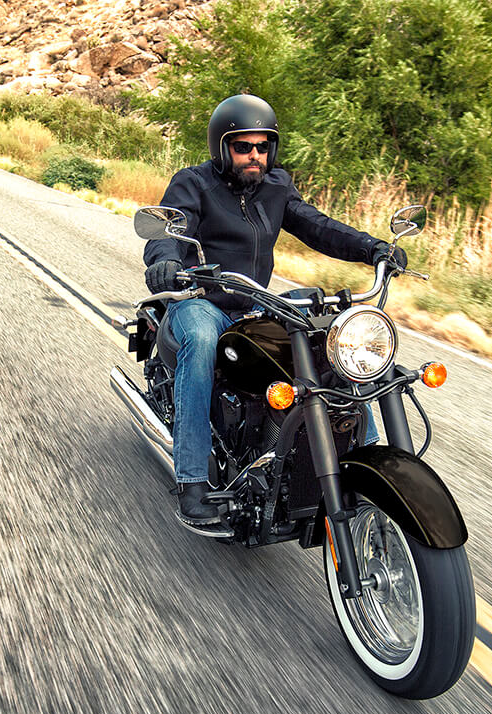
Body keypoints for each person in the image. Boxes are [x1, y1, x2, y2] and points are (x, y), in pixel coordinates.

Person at [143, 94, 406, 532]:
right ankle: (192, 480)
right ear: (222, 147)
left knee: (332, 331)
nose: (254, 156)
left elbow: (315, 224)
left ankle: (363, 454)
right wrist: (164, 262)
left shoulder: (277, 186)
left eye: (263, 147)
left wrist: (371, 248)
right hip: (202, 303)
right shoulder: (193, 183)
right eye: (243, 147)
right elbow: (170, 228)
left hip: (255, 305)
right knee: (203, 341)